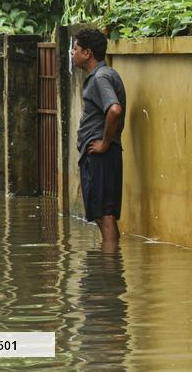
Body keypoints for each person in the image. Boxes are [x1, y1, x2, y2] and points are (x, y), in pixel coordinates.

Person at [71, 28, 126, 250]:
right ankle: (110, 263)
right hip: (101, 155)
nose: (72, 53)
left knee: (105, 214)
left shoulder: (101, 78)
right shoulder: (105, 75)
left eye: (75, 48)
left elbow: (114, 109)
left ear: (87, 53)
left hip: (101, 156)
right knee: (103, 214)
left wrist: (104, 143)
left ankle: (108, 266)